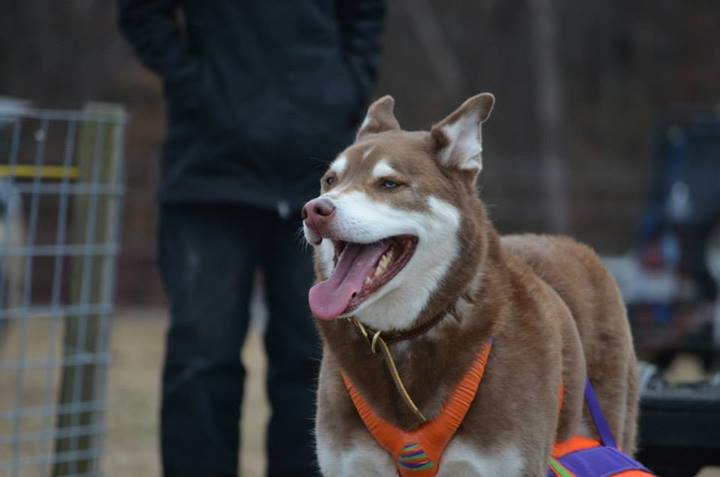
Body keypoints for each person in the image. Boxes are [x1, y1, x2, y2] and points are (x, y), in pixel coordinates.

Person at [116, 1, 385, 476]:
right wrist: (197, 88)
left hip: (317, 176)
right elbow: (142, 15)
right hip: (207, 174)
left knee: (310, 358)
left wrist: (343, 89)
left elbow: (366, 15)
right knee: (201, 357)